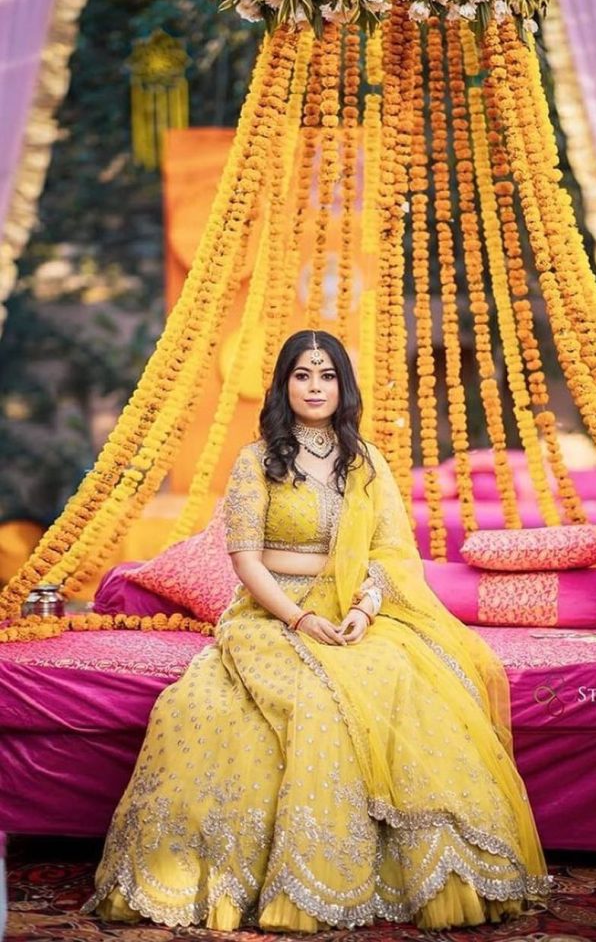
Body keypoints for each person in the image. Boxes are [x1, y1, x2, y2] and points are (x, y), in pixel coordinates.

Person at [85, 329, 550, 932]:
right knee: (228, 702)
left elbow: (388, 552)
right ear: (284, 385)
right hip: (273, 612)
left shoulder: (366, 462)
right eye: (302, 374)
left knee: (404, 679)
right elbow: (248, 560)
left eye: (326, 375)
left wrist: (364, 607)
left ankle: (420, 871)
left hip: (354, 609)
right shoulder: (257, 461)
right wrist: (301, 617)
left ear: (342, 385)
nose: (314, 386)